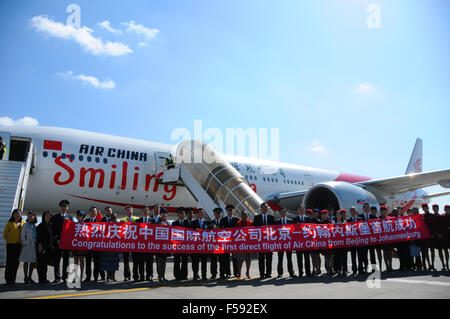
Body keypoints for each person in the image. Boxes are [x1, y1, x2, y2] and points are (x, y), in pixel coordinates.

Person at [51, 199, 73, 283]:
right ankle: (57, 277)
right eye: (63, 206)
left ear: (68, 208)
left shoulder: (70, 217)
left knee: (66, 260)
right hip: (58, 242)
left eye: (66, 206)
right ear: (60, 207)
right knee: (57, 260)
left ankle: (65, 276)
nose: (64, 207)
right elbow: (53, 230)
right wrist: (57, 239)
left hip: (66, 242)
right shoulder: (54, 217)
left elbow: (71, 230)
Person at [3, 209, 25, 284]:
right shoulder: (10, 223)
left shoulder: (23, 223)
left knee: (16, 263)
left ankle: (13, 279)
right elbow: (5, 234)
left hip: (19, 245)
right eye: (16, 213)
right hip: (11, 245)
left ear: (21, 215)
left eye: (19, 213)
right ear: (13, 214)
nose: (17, 215)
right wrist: (9, 240)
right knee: (9, 262)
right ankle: (7, 279)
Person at [253, 202, 275, 279]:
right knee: (261, 258)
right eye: (264, 207)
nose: (265, 209)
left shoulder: (271, 217)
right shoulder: (256, 218)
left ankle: (268, 273)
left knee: (269, 258)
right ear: (261, 209)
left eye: (266, 207)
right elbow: (254, 230)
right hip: (261, 241)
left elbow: (275, 230)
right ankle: (262, 273)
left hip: (269, 241)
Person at [233, 210, 257, 279]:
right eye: (243, 214)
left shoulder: (251, 223)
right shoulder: (238, 223)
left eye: (246, 214)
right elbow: (236, 233)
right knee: (240, 260)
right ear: (241, 216)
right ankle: (239, 273)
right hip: (241, 244)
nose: (244, 216)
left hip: (248, 244)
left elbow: (253, 233)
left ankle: (247, 272)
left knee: (248, 259)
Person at [84, 207, 105, 282]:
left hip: (96, 245)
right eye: (92, 211)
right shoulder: (86, 220)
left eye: (95, 211)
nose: (93, 213)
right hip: (88, 244)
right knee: (88, 262)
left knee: (97, 262)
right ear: (89, 212)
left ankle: (96, 277)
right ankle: (88, 277)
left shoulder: (99, 220)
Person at [220, 204, 240, 279]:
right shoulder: (223, 220)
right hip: (225, 242)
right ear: (226, 211)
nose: (230, 212)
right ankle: (227, 272)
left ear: (233, 211)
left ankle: (236, 272)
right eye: (228, 210)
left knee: (235, 258)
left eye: (231, 210)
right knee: (226, 258)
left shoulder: (237, 220)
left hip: (234, 242)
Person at [99, 213, 120, 282]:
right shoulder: (106, 224)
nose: (114, 219)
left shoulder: (118, 225)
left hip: (115, 247)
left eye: (115, 218)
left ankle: (113, 276)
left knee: (114, 263)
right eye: (112, 217)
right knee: (107, 263)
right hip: (107, 247)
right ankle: (108, 276)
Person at [121, 205, 139, 281]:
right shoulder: (122, 219)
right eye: (127, 210)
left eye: (130, 210)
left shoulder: (137, 219)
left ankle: (135, 276)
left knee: (135, 261)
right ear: (125, 212)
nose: (129, 212)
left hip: (134, 243)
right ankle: (127, 276)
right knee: (126, 261)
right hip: (125, 242)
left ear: (132, 211)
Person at [19, 211, 37, 284]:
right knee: (26, 261)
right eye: (29, 216)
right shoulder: (25, 225)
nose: (30, 217)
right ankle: (25, 277)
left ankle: (30, 277)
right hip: (27, 245)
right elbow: (22, 236)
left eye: (31, 216)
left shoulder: (35, 226)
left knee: (32, 261)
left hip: (34, 245)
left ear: (34, 217)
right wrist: (25, 243)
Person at [292, 206, 311, 277]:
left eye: (302, 210)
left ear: (304, 210)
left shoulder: (308, 219)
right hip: (298, 242)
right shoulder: (294, 219)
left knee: (307, 258)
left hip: (306, 242)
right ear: (298, 211)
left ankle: (308, 272)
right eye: (300, 210)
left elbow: (311, 229)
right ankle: (300, 272)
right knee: (299, 258)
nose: (301, 211)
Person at [276, 207, 295, 278]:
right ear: (279, 213)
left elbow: (293, 232)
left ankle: (291, 272)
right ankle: (280, 273)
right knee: (280, 259)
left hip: (288, 243)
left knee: (289, 258)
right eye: (282, 212)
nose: (283, 213)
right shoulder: (276, 222)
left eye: (284, 212)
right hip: (280, 243)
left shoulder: (290, 221)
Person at [358, 203, 376, 273]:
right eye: (365, 208)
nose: (367, 209)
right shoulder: (359, 217)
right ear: (363, 209)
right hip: (363, 240)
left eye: (368, 208)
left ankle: (374, 268)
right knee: (364, 255)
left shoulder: (373, 217)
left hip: (371, 239)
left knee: (372, 255)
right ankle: (366, 267)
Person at [191, 208, 209, 280]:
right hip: (196, 245)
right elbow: (190, 233)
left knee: (204, 261)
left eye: (203, 213)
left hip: (204, 245)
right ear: (197, 214)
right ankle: (195, 274)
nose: (202, 214)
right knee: (195, 261)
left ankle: (204, 275)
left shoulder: (207, 222)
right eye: (200, 212)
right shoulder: (193, 223)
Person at [36, 211, 54, 284]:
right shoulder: (41, 225)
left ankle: (44, 279)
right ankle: (41, 279)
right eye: (47, 215)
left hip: (48, 248)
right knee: (41, 265)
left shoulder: (50, 225)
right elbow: (39, 237)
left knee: (45, 264)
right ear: (43, 216)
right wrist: (40, 246)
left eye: (49, 216)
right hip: (42, 247)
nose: (48, 217)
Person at [172, 207, 189, 280]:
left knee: (185, 260)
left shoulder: (187, 223)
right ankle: (177, 275)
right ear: (178, 215)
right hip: (177, 245)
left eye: (183, 213)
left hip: (185, 245)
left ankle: (184, 275)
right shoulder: (174, 223)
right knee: (177, 260)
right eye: (181, 213)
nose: (182, 215)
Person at [138, 206, 154, 281]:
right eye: (144, 210)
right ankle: (141, 276)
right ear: (142, 212)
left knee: (149, 261)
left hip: (150, 244)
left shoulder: (152, 220)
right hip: (141, 245)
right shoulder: (139, 220)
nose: (145, 212)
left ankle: (149, 275)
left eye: (146, 210)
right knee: (141, 262)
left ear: (149, 212)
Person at [155, 210, 170, 282]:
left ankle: (163, 275)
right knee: (159, 260)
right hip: (158, 245)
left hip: (165, 245)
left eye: (165, 214)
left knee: (164, 261)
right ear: (160, 215)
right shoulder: (157, 222)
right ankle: (159, 276)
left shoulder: (168, 223)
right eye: (163, 214)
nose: (164, 216)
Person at [209, 207, 224, 279]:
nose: (218, 214)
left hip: (221, 244)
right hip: (214, 244)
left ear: (221, 214)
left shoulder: (224, 222)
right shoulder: (211, 223)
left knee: (222, 259)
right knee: (213, 260)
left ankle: (222, 273)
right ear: (214, 214)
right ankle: (213, 274)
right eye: (216, 213)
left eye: (219, 213)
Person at [432, 204, 448, 271]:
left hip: (443, 236)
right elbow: (432, 227)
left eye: (436, 208)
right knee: (440, 251)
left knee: (446, 250)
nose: (435, 209)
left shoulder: (442, 216)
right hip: (436, 236)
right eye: (434, 208)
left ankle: (447, 263)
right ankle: (443, 264)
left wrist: (442, 234)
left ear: (438, 208)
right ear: (433, 209)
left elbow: (445, 226)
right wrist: (437, 234)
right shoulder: (432, 217)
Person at [319, 210, 334, 275]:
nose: (324, 215)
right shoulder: (320, 223)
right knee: (326, 257)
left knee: (331, 256)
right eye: (322, 214)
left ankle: (332, 268)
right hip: (324, 243)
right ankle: (328, 269)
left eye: (325, 214)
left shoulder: (330, 222)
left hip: (330, 242)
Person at [333, 209, 347, 276]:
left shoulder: (344, 222)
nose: (338, 216)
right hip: (336, 242)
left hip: (343, 242)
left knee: (344, 256)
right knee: (337, 256)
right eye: (337, 215)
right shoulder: (333, 222)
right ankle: (338, 269)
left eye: (339, 215)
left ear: (341, 216)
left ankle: (344, 269)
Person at [73, 211, 86, 282]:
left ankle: (80, 276)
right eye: (78, 215)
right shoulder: (74, 224)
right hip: (75, 244)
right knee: (75, 261)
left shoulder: (86, 224)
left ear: (83, 216)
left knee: (81, 260)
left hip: (82, 244)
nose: (79, 216)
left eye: (80, 215)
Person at [379, 206, 394, 272]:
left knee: (390, 253)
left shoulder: (391, 219)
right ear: (381, 212)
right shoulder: (378, 220)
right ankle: (387, 266)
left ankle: (390, 265)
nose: (384, 212)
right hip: (383, 239)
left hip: (390, 239)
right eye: (383, 211)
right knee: (385, 253)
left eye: (385, 211)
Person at [347, 207, 361, 275]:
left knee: (360, 256)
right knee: (353, 256)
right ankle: (354, 269)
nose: (353, 212)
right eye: (351, 211)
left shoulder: (361, 220)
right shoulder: (348, 221)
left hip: (360, 240)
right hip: (352, 241)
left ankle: (361, 268)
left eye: (354, 210)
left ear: (356, 211)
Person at [420, 203, 434, 270]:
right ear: (422, 209)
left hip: (431, 235)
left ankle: (432, 264)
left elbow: (434, 225)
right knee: (426, 251)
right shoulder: (421, 216)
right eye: (424, 208)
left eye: (426, 207)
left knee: (432, 251)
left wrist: (433, 233)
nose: (425, 209)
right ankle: (429, 264)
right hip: (425, 236)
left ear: (428, 208)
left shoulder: (432, 215)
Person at [310, 209, 322, 275]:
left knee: (317, 256)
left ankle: (318, 268)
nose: (315, 214)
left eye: (317, 213)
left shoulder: (319, 221)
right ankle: (314, 268)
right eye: (314, 213)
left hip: (317, 240)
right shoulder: (309, 221)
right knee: (312, 256)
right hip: (311, 240)